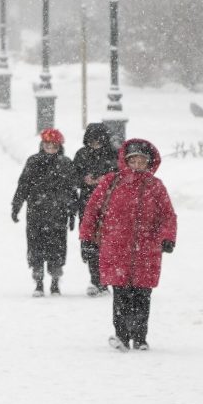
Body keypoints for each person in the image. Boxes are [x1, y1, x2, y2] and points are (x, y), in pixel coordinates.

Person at [79, 138, 177, 352]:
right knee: (121, 294)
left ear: (149, 162)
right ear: (126, 160)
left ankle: (140, 337)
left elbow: (167, 216)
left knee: (143, 295)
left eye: (142, 160)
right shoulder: (111, 182)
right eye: (134, 160)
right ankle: (122, 335)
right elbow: (92, 211)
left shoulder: (156, 186)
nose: (138, 164)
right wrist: (86, 238)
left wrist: (168, 237)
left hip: (147, 251)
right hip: (116, 249)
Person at [11, 128, 79, 296]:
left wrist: (72, 213)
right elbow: (23, 185)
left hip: (59, 214)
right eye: (47, 145)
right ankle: (39, 282)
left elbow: (71, 190)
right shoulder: (33, 162)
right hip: (36, 213)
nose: (50, 148)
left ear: (59, 146)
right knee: (36, 248)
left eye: (54, 145)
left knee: (57, 248)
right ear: (42, 145)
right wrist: (16, 205)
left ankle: (55, 282)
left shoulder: (66, 163)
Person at [73, 123, 117, 296]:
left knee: (108, 243)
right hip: (87, 202)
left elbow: (120, 176)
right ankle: (95, 279)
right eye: (92, 141)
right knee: (89, 242)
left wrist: (106, 180)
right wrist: (84, 180)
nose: (95, 144)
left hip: (110, 204)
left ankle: (105, 280)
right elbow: (72, 176)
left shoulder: (114, 156)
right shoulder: (81, 154)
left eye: (98, 141)